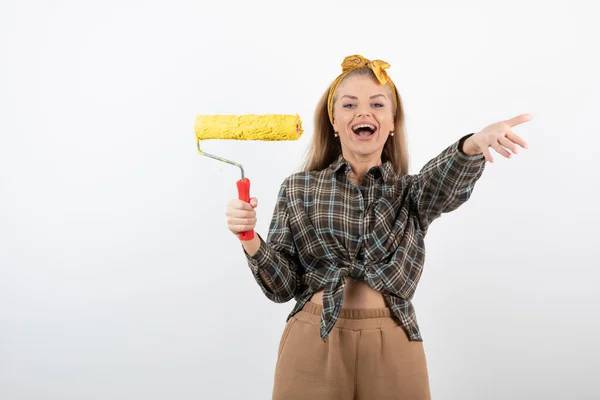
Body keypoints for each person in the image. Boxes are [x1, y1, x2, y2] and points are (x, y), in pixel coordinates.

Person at [225, 54, 531, 399]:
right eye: (349, 104)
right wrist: (249, 239)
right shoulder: (299, 188)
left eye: (377, 104)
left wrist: (472, 145)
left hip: (394, 340)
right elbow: (282, 287)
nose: (363, 112)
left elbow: (443, 181)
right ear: (334, 121)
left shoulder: (411, 194)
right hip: (313, 339)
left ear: (391, 122)